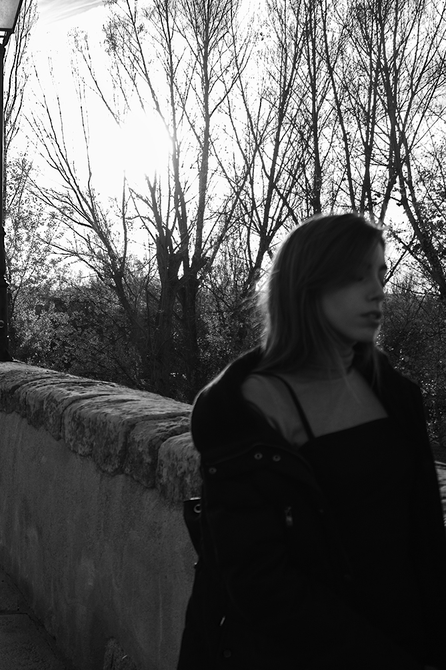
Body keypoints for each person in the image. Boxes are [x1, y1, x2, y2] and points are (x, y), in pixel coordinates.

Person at [178, 213, 446, 670]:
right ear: (308, 285)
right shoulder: (241, 409)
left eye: (380, 273)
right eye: (356, 276)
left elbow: (424, 537)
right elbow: (260, 582)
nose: (378, 290)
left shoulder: (395, 394)